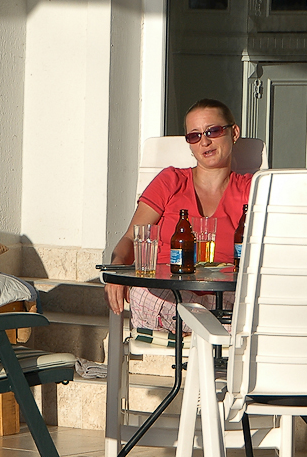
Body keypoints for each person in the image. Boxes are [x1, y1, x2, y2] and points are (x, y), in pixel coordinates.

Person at [104, 98, 252, 330]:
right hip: (168, 295)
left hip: (224, 296)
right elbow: (132, 238)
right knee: (145, 295)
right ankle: (210, 330)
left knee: (246, 308)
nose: (205, 142)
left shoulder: (251, 189)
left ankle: (201, 329)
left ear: (233, 133)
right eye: (194, 136)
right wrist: (117, 267)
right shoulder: (170, 181)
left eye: (213, 131)